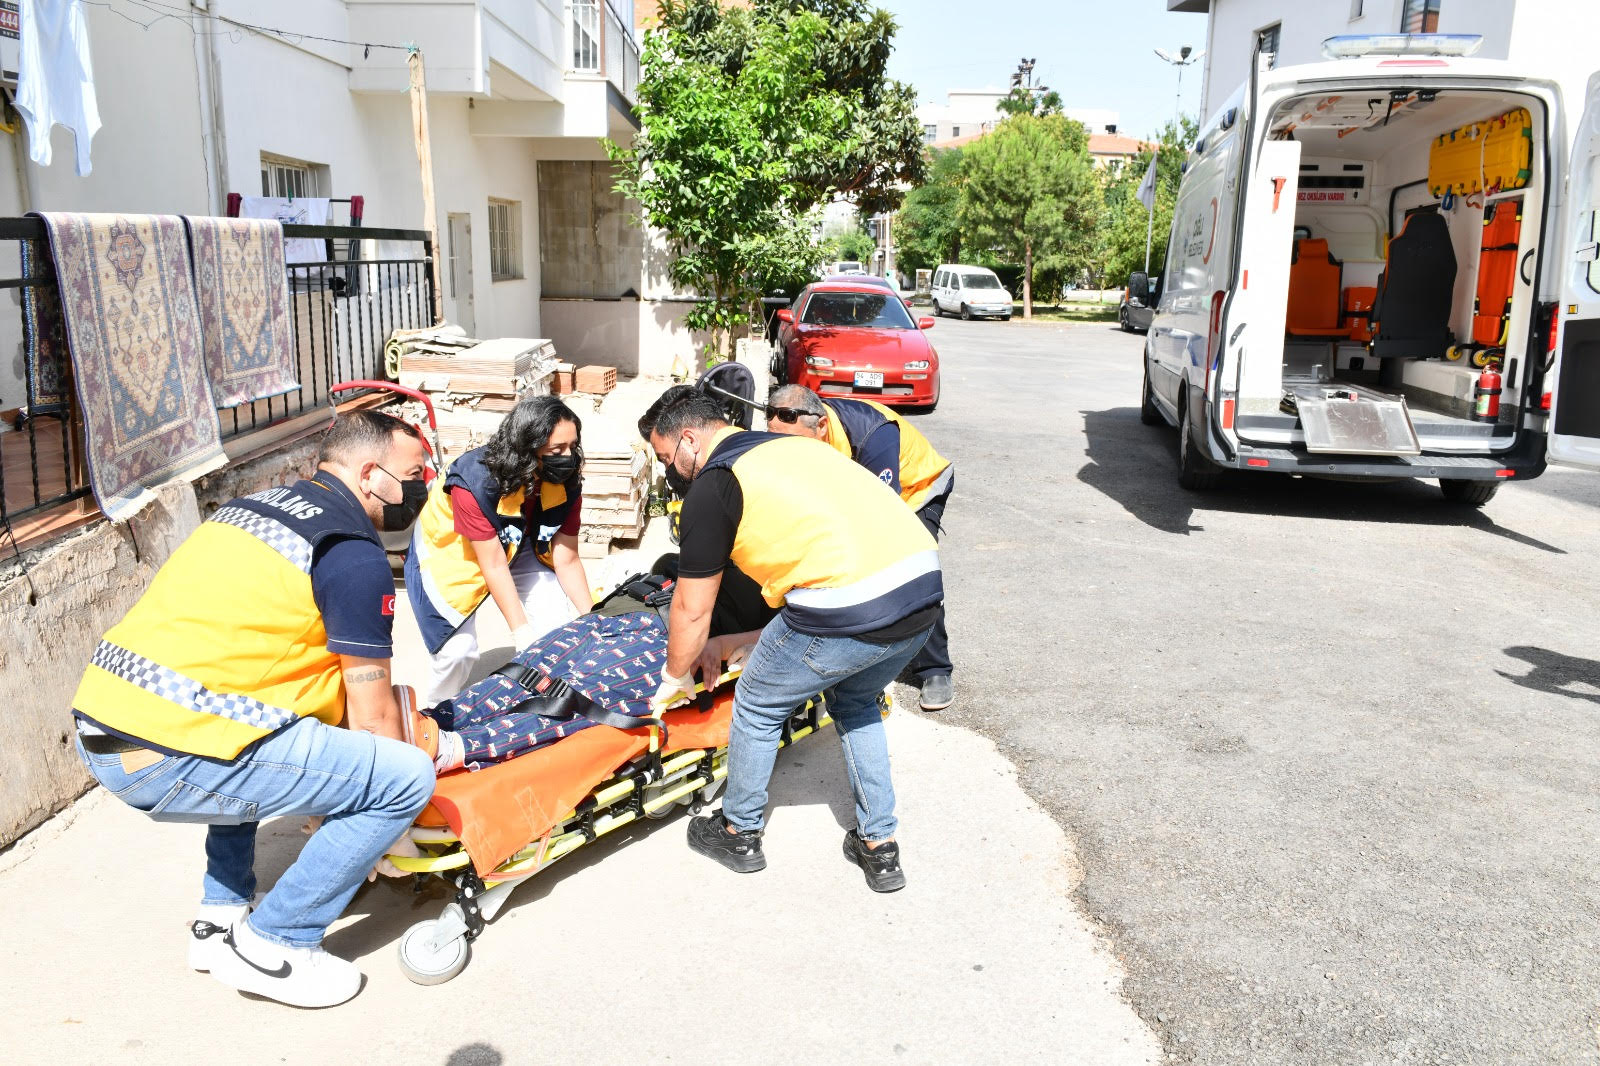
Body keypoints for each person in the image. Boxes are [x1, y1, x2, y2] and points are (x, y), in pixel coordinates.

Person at [68, 410, 438, 1009]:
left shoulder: (251, 510)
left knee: (253, 727)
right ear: (370, 475)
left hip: (104, 724)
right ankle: (277, 943)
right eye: (413, 473)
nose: (421, 487)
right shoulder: (350, 554)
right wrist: (387, 829)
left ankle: (219, 920)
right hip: (166, 752)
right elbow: (374, 725)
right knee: (403, 778)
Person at [640, 390, 943, 892]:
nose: (669, 469)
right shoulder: (793, 447)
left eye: (666, 457)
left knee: (758, 704)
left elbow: (691, 610)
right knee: (857, 701)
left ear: (690, 439)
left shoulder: (716, 486)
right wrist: (738, 640)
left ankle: (738, 831)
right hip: (923, 595)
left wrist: (673, 680)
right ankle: (878, 844)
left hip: (848, 607)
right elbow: (828, 567)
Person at [764, 384, 957, 711]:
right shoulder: (799, 433)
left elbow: (883, 516)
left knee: (909, 569)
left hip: (916, 491)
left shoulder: (873, 435)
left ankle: (935, 669)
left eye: (792, 444)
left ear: (821, 426)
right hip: (858, 488)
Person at [406, 396, 593, 705]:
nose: (568, 457)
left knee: (556, 629)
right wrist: (520, 631)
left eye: (572, 446)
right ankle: (435, 714)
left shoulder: (566, 479)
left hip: (515, 544)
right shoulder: (474, 483)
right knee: (456, 653)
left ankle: (540, 704)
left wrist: (592, 617)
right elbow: (492, 566)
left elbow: (567, 557)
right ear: (527, 448)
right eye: (556, 450)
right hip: (451, 552)